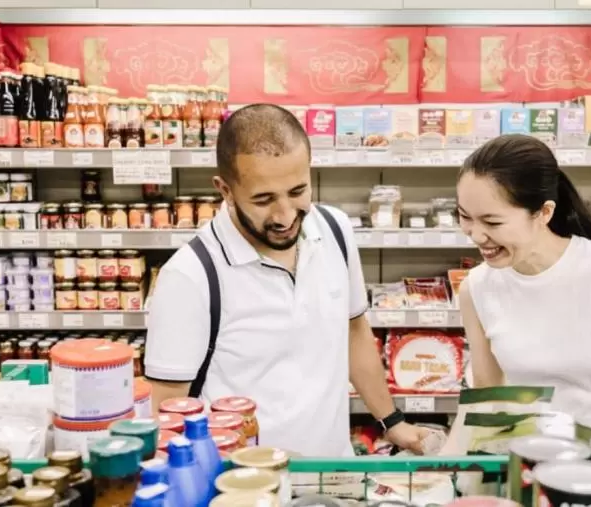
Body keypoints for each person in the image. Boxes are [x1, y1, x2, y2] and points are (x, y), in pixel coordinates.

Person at [144, 104, 427, 456]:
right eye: (263, 199)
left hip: (332, 474)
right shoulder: (190, 276)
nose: (285, 215)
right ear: (225, 190)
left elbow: (353, 331)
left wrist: (391, 420)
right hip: (243, 487)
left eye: (297, 192)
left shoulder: (335, 231)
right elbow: (168, 415)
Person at [456, 134, 591, 415]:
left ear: (544, 212)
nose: (475, 235)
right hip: (521, 451)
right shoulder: (476, 288)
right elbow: (488, 395)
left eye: (492, 222)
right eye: (464, 216)